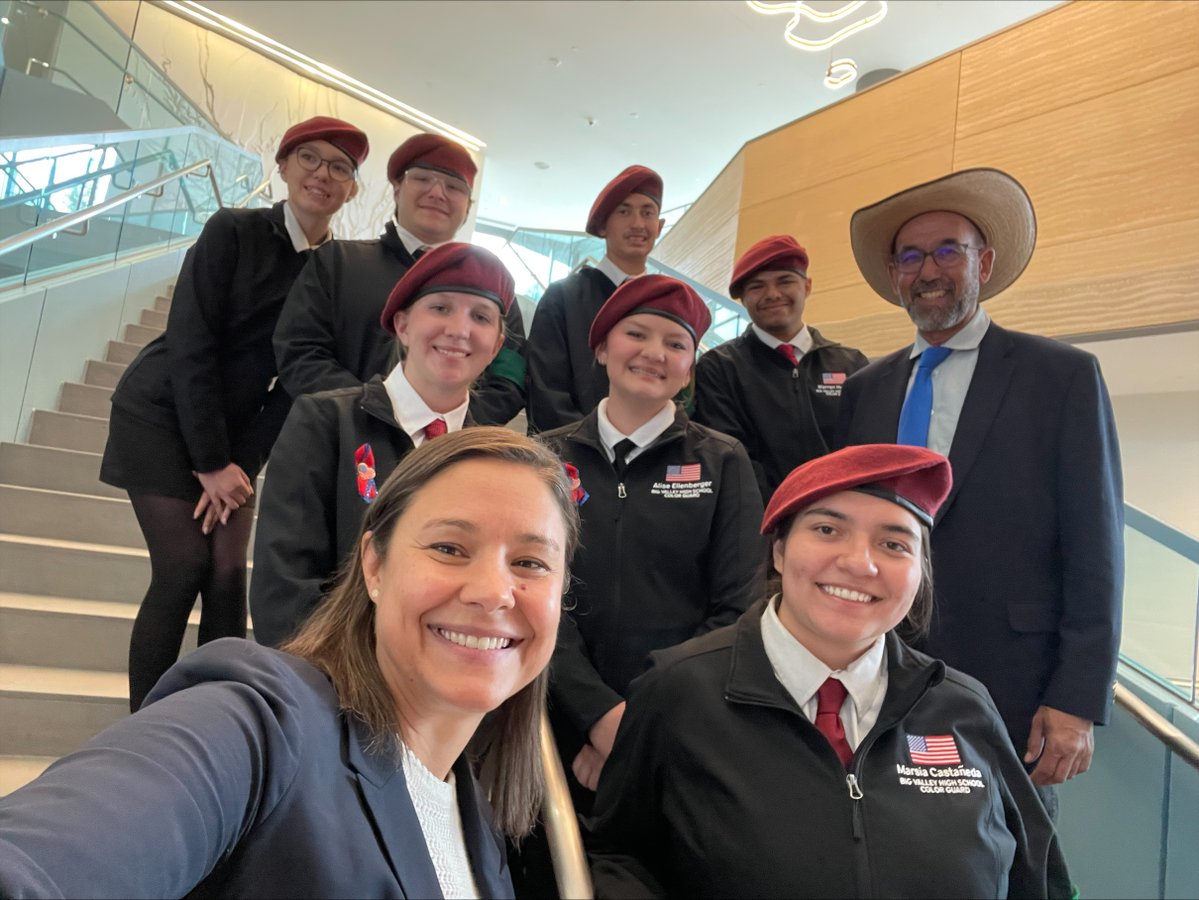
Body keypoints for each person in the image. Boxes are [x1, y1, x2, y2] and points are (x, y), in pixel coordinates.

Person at [0, 428, 577, 898]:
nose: (493, 591)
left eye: (530, 562)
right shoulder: (262, 721)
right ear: (374, 567)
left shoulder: (484, 830)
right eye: (450, 548)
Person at [589, 444, 1071, 898]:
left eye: (894, 544)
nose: (860, 563)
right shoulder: (678, 691)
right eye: (827, 530)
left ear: (920, 573)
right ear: (778, 550)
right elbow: (620, 861)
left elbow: (1038, 874)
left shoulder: (963, 706)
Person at [837, 168, 1123, 813]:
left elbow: (1095, 544)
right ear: (894, 276)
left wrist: (1077, 698)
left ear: (983, 263)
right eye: (910, 256)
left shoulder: (1062, 376)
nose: (927, 270)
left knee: (1009, 854)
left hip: (1012, 683)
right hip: (874, 663)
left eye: (947, 250)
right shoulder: (866, 390)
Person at [98, 116, 369, 711]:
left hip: (236, 436)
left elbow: (299, 381)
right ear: (284, 166)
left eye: (340, 167)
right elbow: (191, 342)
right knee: (185, 566)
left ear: (353, 189)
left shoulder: (337, 273)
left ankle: (214, 719)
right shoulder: (233, 230)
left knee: (228, 572)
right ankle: (144, 724)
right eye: (310, 159)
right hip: (163, 412)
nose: (322, 175)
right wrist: (212, 461)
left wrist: (242, 465)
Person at [538, 274, 765, 803]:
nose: (654, 353)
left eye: (675, 344)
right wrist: (596, 712)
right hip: (553, 717)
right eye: (636, 334)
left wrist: (638, 717)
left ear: (690, 367)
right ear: (601, 348)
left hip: (680, 721)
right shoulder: (543, 457)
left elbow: (739, 605)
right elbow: (527, 593)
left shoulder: (723, 461)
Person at [251, 242, 514, 648]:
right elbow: (284, 589)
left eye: (480, 317)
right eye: (440, 308)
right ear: (402, 325)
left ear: (496, 346)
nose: (460, 330)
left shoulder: (493, 458)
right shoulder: (326, 423)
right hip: (334, 682)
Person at [273, 132, 527, 425]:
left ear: (468, 206)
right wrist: (379, 414)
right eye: (422, 179)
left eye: (454, 187)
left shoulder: (493, 287)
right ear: (396, 190)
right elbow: (300, 351)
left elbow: (510, 378)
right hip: (337, 441)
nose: (437, 193)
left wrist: (444, 427)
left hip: (445, 452)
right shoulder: (338, 262)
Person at [694, 234, 868, 502]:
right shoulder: (719, 368)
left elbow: (865, 448)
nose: (772, 294)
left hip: (843, 514)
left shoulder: (851, 364)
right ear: (742, 299)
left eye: (785, 281)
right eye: (757, 286)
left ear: (807, 286)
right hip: (762, 522)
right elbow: (730, 457)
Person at [525, 164, 665, 432]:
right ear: (603, 226)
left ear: (659, 226)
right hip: (572, 456)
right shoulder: (563, 297)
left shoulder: (666, 303)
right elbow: (546, 391)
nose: (638, 223)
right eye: (624, 211)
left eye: (647, 212)